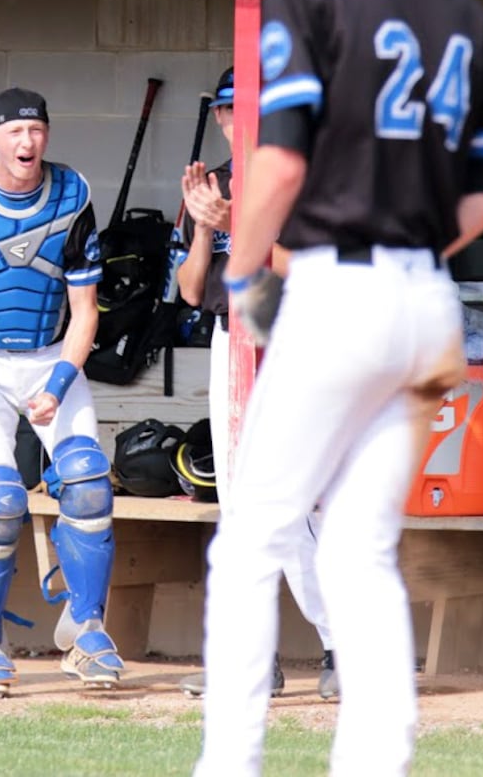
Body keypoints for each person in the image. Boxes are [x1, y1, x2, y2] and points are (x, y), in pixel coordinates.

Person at [194, 0, 483, 776]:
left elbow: (279, 161)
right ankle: (375, 764)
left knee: (252, 539)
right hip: (426, 301)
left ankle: (230, 763)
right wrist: (414, 244)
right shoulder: (465, 16)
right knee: (359, 551)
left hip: (337, 292)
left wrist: (246, 270)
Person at [0, 87, 122, 697]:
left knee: (88, 482)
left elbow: (85, 309)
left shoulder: (72, 195)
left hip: (49, 360)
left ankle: (87, 629)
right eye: (13, 131)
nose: (26, 142)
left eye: (36, 129)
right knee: (2, 497)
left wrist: (60, 384)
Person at [174, 67, 337, 701]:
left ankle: (346, 647)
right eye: (227, 109)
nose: (235, 118)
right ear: (218, 115)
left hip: (294, 338)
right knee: (243, 507)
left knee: (290, 504)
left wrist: (238, 218)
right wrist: (207, 225)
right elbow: (191, 289)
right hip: (229, 341)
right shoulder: (209, 182)